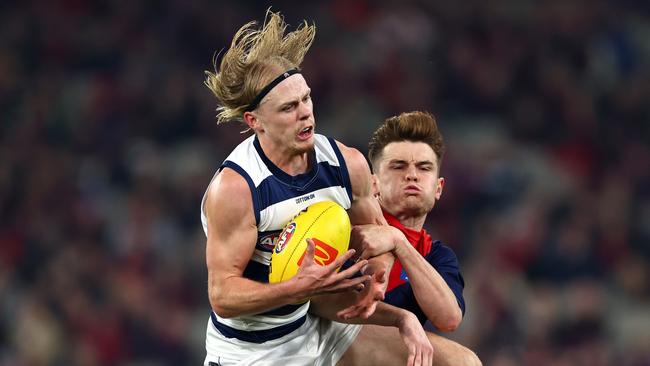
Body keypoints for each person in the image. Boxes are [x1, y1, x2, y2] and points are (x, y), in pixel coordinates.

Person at [201, 11, 438, 366]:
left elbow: (378, 238)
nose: (306, 114)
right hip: (253, 352)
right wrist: (298, 288)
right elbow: (222, 295)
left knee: (460, 361)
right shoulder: (236, 188)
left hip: (322, 328)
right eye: (289, 108)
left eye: (307, 99)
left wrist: (379, 274)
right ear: (255, 122)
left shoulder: (347, 164)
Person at [352, 111, 481, 364]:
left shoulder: (437, 256)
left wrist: (399, 243)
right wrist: (402, 319)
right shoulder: (349, 227)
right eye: (398, 166)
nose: (412, 175)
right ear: (373, 184)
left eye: (424, 168)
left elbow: (449, 318)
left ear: (438, 188)